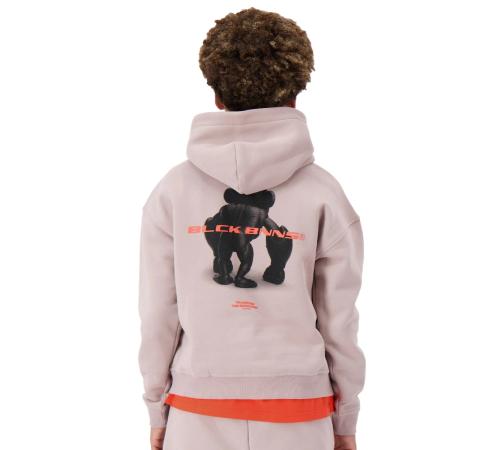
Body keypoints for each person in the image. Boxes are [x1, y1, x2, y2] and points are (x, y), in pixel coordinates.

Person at [138, 7, 366, 450]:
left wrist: (156, 406)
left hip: (197, 405)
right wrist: (346, 420)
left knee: (230, 253)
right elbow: (340, 321)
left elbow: (157, 314)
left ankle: (227, 264)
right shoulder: (325, 193)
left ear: (216, 95)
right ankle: (242, 265)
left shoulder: (172, 191)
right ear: (295, 97)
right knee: (252, 252)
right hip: (300, 410)